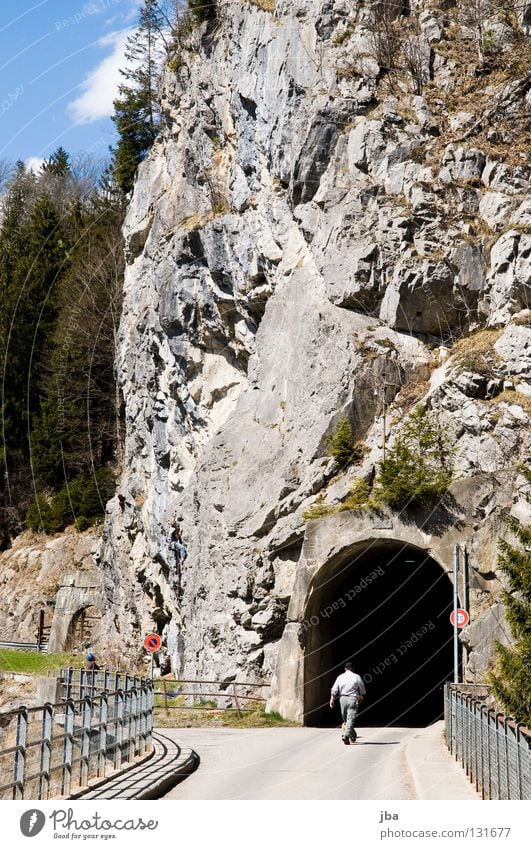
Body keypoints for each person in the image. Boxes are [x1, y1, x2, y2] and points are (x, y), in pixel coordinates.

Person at [330, 661, 366, 745]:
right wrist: (361, 695)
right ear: (352, 668)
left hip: (342, 699)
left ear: (345, 668)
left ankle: (353, 736)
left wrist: (332, 699)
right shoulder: (356, 676)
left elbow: (334, 689)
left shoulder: (340, 677)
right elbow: (362, 689)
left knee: (346, 719)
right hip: (353, 698)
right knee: (350, 719)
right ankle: (346, 735)